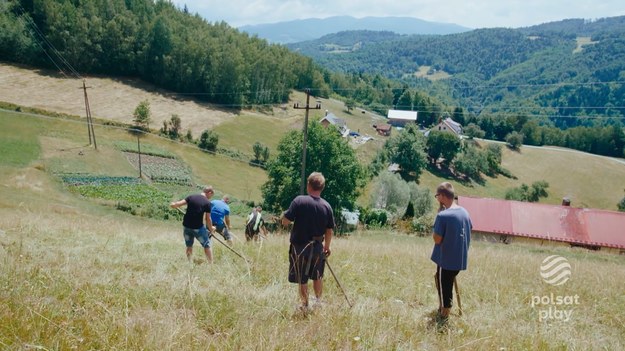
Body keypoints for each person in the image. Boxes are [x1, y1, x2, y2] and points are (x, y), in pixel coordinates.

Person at [282, 172, 335, 312]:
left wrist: (283, 217)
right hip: (318, 247)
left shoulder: (299, 201)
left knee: (302, 278)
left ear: (308, 185)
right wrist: (327, 247)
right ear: (322, 187)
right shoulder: (327, 206)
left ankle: (305, 305)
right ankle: (318, 302)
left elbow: (286, 221)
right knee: (317, 276)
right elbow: (329, 230)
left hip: (300, 246)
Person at [431, 182, 471, 322]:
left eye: (437, 196)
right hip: (459, 260)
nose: (437, 199)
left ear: (442, 196)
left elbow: (437, 239)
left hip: (446, 260)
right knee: (445, 283)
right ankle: (444, 308)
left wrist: (438, 220)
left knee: (444, 287)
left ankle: (443, 317)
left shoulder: (443, 216)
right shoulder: (464, 213)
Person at [170, 186, 216, 263]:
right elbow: (208, 219)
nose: (210, 197)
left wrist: (173, 205)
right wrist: (211, 228)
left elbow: (178, 204)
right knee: (206, 245)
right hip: (197, 228)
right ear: (209, 192)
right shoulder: (207, 203)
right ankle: (211, 264)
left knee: (189, 245)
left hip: (186, 226)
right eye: (211, 195)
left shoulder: (191, 197)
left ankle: (189, 262)